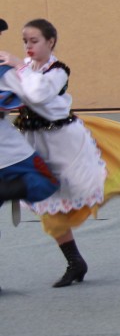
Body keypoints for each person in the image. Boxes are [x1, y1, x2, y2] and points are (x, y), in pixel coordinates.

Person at [0, 18, 120, 288]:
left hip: (64, 140)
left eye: (34, 41)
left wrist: (17, 67)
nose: (28, 46)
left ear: (50, 42)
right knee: (46, 204)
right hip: (33, 142)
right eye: (25, 41)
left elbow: (38, 93)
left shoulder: (58, 70)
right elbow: (13, 95)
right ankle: (75, 262)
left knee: (86, 186)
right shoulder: (21, 67)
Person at [0, 18, 61, 293]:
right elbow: (29, 95)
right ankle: (6, 190)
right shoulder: (4, 68)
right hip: (10, 154)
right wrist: (21, 67)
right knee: (47, 182)